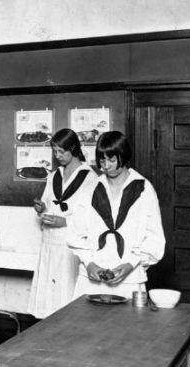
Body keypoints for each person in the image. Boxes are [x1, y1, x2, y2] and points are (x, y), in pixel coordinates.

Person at [69, 131, 165, 298]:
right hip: (91, 281)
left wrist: (130, 264)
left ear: (124, 156)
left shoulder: (144, 189)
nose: (106, 166)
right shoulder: (90, 189)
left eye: (112, 160)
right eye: (101, 160)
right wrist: (89, 263)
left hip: (129, 280)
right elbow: (76, 233)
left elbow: (154, 237)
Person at [27, 129, 98, 318]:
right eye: (54, 151)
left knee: (65, 293)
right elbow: (48, 204)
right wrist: (41, 208)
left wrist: (64, 221)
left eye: (61, 151)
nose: (57, 156)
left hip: (70, 244)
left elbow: (92, 217)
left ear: (73, 148)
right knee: (47, 296)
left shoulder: (89, 178)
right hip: (49, 242)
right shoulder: (54, 176)